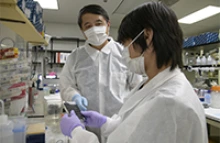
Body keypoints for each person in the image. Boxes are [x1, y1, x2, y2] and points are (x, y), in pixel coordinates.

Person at [60, 2, 208, 143]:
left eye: (126, 45)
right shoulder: (153, 84)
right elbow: (135, 126)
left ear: (147, 37)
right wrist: (106, 123)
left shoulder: (167, 102)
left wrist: (76, 132)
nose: (126, 53)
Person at [59, 4, 142, 142]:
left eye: (98, 23)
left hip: (119, 126)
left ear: (108, 25)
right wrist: (75, 96)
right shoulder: (75, 57)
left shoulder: (125, 53)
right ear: (82, 30)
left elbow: (138, 88)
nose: (94, 29)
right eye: (88, 26)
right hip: (86, 129)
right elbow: (66, 85)